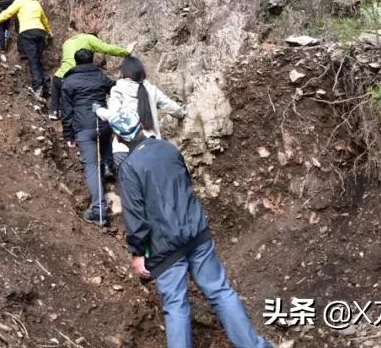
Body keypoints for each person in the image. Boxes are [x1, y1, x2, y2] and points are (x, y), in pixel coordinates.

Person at [110, 112, 273, 348]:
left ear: (118, 137)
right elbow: (186, 184)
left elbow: (135, 215)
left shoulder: (129, 168)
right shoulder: (168, 148)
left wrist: (137, 253)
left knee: (176, 306)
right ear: (141, 125)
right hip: (196, 232)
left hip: (165, 247)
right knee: (220, 291)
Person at [96, 56, 185, 169]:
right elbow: (173, 108)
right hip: (152, 146)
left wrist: (99, 110)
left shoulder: (119, 89)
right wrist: (182, 113)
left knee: (128, 179)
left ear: (124, 72)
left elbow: (113, 116)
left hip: (124, 148)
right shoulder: (151, 89)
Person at [62, 48, 117, 225]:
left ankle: (99, 211)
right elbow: (114, 88)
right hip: (104, 122)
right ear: (91, 60)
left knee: (92, 167)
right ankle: (108, 165)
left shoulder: (69, 81)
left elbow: (67, 111)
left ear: (76, 61)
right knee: (105, 142)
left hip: (84, 127)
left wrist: (69, 135)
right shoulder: (100, 76)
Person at [0, 0, 51, 101]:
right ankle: (47, 86)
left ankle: (38, 88)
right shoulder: (36, 3)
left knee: (33, 60)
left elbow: (5, 14)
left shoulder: (19, 2)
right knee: (38, 60)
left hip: (27, 33)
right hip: (40, 33)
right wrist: (49, 33)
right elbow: (44, 19)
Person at [50, 30, 131, 121]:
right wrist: (126, 52)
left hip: (61, 78)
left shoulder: (68, 42)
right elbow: (107, 48)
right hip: (77, 78)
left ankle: (54, 111)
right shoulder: (90, 38)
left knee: (56, 81)